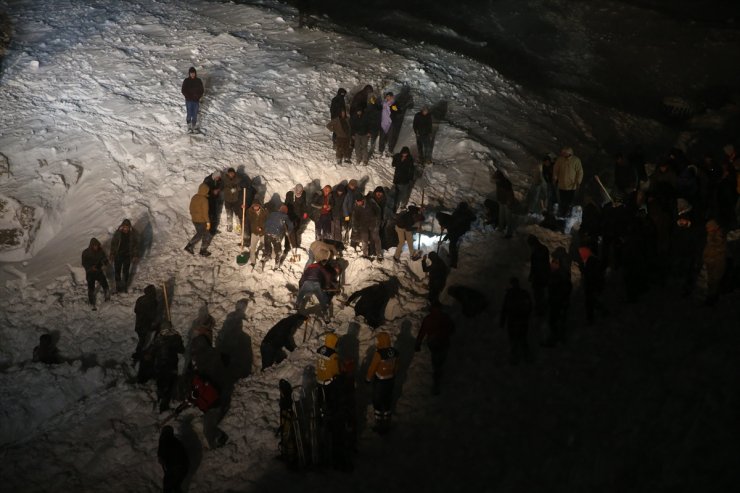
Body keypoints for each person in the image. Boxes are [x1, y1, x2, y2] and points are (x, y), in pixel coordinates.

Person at [416, 301, 455, 394]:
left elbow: (422, 332)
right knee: (441, 361)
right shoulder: (445, 317)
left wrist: (418, 344)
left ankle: (437, 382)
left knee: (436, 362)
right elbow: (452, 329)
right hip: (444, 342)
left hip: (433, 343)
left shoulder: (428, 319)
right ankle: (439, 376)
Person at [365, 331, 398, 433]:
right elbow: (397, 366)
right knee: (387, 400)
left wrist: (368, 378)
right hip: (390, 380)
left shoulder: (379, 353)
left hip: (380, 381)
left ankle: (379, 423)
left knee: (378, 400)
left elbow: (373, 367)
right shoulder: (395, 352)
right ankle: (387, 421)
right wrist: (393, 374)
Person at [152, 320, 185, 412]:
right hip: (172, 364)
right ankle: (167, 399)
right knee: (171, 383)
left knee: (161, 383)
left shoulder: (159, 337)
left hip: (161, 365)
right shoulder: (176, 336)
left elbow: (154, 350)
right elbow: (182, 350)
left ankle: (161, 400)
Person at [499, 278, 533, 365]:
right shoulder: (524, 293)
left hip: (513, 320)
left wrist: (502, 321)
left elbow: (505, 309)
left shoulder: (509, 295)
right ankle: (527, 357)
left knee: (514, 340)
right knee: (522, 339)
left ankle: (516, 358)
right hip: (521, 320)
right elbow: (529, 306)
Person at [109, 218, 139, 293]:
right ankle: (118, 288)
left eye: (127, 227)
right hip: (118, 255)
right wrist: (112, 254)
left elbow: (135, 245)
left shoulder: (132, 235)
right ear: (122, 226)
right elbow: (113, 244)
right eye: (125, 227)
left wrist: (135, 255)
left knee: (126, 272)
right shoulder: (118, 234)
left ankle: (124, 287)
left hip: (127, 256)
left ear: (129, 227)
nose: (126, 229)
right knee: (117, 272)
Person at [553, 146, 583, 217]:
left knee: (569, 202)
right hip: (562, 185)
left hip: (571, 186)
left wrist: (578, 181)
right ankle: (562, 214)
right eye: (563, 153)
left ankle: (568, 214)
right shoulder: (560, 160)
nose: (563, 154)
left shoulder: (576, 160)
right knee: (562, 201)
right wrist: (555, 178)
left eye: (564, 153)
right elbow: (555, 170)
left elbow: (580, 172)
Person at [158, 426, 190, 493]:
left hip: (174, 468)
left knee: (168, 487)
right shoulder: (177, 441)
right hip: (184, 467)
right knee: (176, 486)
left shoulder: (164, 440)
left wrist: (162, 459)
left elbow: (161, 457)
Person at [703, 219, 727, 306]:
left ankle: (713, 298)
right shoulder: (711, 234)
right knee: (710, 281)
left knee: (715, 280)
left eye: (708, 227)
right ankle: (710, 297)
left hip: (717, 261)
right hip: (710, 260)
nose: (707, 229)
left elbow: (718, 245)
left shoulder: (718, 234)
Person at [184, 183, 212, 257]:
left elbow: (190, 208)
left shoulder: (194, 197)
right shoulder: (204, 200)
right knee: (207, 235)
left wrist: (193, 215)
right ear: (206, 191)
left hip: (194, 219)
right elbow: (205, 213)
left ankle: (190, 246)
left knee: (200, 233)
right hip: (202, 220)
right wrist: (208, 222)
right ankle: (202, 250)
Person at [81, 237, 110, 309]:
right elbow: (84, 263)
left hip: (98, 271)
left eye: (97, 245)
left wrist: (106, 263)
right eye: (95, 245)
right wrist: (91, 267)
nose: (96, 247)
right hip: (90, 272)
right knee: (91, 287)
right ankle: (92, 302)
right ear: (91, 245)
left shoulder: (100, 251)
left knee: (104, 283)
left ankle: (107, 296)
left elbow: (104, 258)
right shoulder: (86, 252)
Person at [351, 194, 382, 260]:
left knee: (376, 239)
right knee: (364, 240)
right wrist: (355, 226)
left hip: (373, 224)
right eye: (357, 201)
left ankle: (379, 255)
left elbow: (378, 211)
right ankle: (365, 254)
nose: (358, 203)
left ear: (363, 200)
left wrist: (377, 223)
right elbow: (354, 217)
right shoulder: (356, 206)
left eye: (359, 201)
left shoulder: (370, 202)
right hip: (363, 225)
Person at [133, 284, 158, 361]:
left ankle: (138, 355)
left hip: (139, 323)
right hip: (145, 324)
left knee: (142, 339)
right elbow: (152, 314)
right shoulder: (153, 301)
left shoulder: (140, 299)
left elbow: (135, 310)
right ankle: (137, 355)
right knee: (142, 341)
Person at [527, 234, 550, 316]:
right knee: (540, 293)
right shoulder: (542, 249)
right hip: (542, 275)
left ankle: (541, 310)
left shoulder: (538, 251)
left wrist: (533, 275)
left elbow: (537, 265)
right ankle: (541, 308)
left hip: (540, 276)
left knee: (539, 294)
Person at [391, 146, 416, 212]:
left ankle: (403, 206)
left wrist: (410, 178)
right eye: (403, 153)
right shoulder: (397, 157)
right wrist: (400, 160)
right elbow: (393, 164)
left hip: (405, 180)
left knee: (404, 194)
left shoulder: (409, 159)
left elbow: (412, 169)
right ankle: (395, 206)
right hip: (397, 179)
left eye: (406, 153)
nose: (404, 155)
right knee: (396, 194)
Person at [285, 184, 308, 251]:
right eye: (297, 192)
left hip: (299, 215)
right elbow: (286, 204)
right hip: (290, 215)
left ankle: (295, 244)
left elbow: (304, 204)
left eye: (300, 192)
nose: (298, 193)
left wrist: (305, 212)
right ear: (295, 190)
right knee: (290, 230)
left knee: (296, 230)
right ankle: (289, 246)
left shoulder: (304, 194)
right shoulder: (290, 194)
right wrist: (284, 213)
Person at [494, 169, 516, 238]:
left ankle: (509, 233)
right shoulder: (498, 182)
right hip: (502, 201)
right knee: (501, 216)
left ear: (499, 178)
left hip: (507, 203)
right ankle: (501, 228)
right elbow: (499, 192)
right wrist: (499, 199)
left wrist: (509, 202)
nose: (495, 180)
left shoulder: (506, 183)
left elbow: (510, 194)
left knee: (508, 218)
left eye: (496, 179)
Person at [181, 66, 204, 133]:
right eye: (191, 73)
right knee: (189, 113)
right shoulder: (186, 81)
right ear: (189, 74)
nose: (192, 74)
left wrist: (198, 97)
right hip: (189, 100)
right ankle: (189, 127)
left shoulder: (198, 81)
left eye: (193, 73)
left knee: (195, 114)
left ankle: (194, 127)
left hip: (196, 100)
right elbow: (183, 90)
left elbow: (201, 90)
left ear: (195, 73)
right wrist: (188, 96)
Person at [222, 167, 244, 233]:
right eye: (230, 173)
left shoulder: (238, 179)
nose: (231, 174)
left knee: (237, 215)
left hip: (236, 200)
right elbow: (222, 187)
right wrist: (229, 189)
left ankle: (238, 228)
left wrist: (236, 188)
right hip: (227, 200)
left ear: (234, 173)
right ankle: (230, 226)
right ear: (228, 173)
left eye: (232, 173)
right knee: (229, 214)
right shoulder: (224, 179)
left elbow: (241, 187)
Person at [246, 202, 268, 267]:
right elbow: (245, 216)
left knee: (266, 246)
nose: (255, 207)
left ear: (259, 206)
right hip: (254, 233)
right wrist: (243, 208)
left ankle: (265, 258)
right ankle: (253, 262)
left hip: (263, 233)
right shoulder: (250, 212)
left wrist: (263, 228)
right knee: (252, 248)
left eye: (257, 206)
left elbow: (268, 222)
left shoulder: (264, 212)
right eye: (254, 206)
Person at [378, 92, 399, 156]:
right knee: (382, 137)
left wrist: (394, 109)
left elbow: (397, 111)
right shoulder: (383, 103)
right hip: (383, 122)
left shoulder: (394, 104)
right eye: (387, 96)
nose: (388, 97)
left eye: (389, 96)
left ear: (392, 97)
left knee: (390, 137)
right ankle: (380, 150)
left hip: (390, 122)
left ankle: (390, 150)